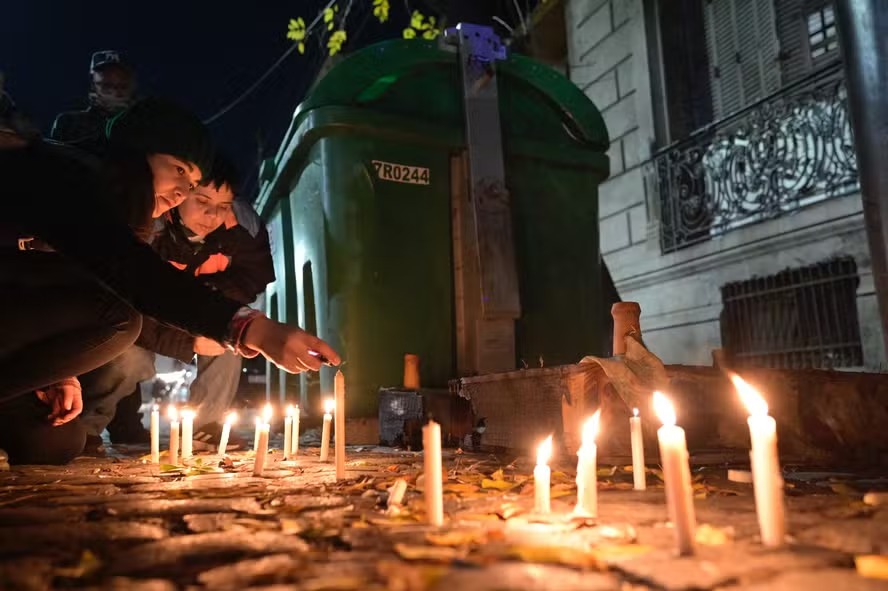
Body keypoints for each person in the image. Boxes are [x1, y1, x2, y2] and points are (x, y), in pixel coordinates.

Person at [0, 97, 339, 465]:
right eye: (178, 170)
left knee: (57, 443)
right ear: (135, 152)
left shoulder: (122, 212)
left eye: (191, 181)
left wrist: (57, 374)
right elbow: (138, 277)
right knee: (119, 321)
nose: (182, 191)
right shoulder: (70, 177)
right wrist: (249, 328)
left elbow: (80, 285)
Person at [81, 154, 276, 450]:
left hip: (198, 311)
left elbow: (252, 276)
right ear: (182, 193)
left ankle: (206, 424)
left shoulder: (243, 228)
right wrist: (186, 343)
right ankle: (87, 427)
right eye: (202, 201)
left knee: (232, 334)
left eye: (223, 206)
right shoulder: (146, 224)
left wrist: (213, 297)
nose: (212, 215)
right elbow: (123, 300)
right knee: (128, 356)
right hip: (141, 318)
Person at [51, 50, 137, 155]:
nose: (115, 91)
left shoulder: (145, 124)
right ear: (93, 85)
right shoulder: (69, 123)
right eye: (107, 84)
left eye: (122, 85)